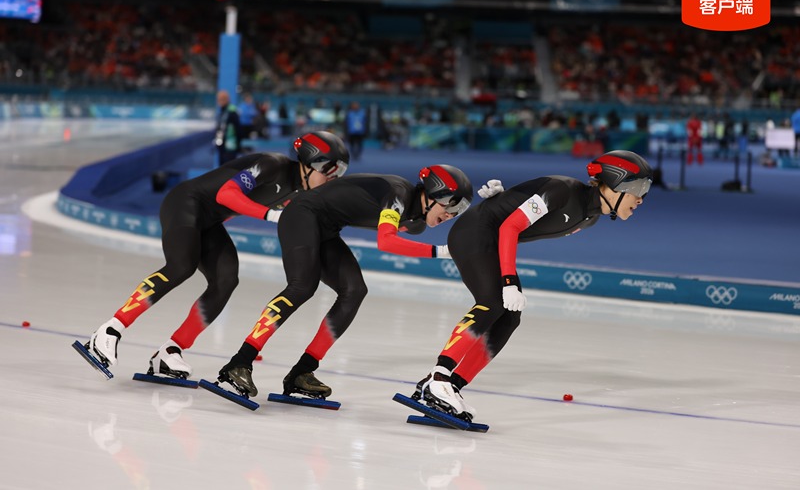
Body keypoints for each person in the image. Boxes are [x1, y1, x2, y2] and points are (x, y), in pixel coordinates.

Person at [408, 150, 653, 422]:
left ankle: (451, 387)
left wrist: (505, 199)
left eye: (646, 189)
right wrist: (509, 281)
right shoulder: (563, 191)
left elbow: (523, 213)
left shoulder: (589, 217)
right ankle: (439, 377)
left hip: (489, 239)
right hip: (473, 233)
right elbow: (509, 228)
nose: (641, 198)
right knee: (492, 302)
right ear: (613, 183)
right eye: (637, 188)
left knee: (509, 318)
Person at [84, 131, 350, 379]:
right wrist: (269, 215)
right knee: (181, 266)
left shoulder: (302, 193)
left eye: (339, 173)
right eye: (329, 170)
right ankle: (110, 329)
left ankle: (171, 350)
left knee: (226, 279)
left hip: (210, 221)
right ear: (308, 163)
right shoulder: (272, 165)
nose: (333, 178)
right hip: (185, 203)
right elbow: (226, 194)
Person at [217, 164, 475, 400]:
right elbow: (386, 241)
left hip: (327, 228)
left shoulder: (416, 223)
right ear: (433, 194)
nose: (450, 215)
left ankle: (302, 371)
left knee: (354, 290)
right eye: (450, 206)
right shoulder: (399, 193)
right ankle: (240, 362)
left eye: (458, 212)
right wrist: (443, 252)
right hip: (301, 214)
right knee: (302, 286)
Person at [215, 90, 242, 165]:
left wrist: (238, 145)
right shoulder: (222, 112)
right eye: (219, 99)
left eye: (222, 99)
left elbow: (238, 129)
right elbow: (219, 129)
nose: (220, 101)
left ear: (227, 99)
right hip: (222, 146)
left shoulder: (232, 111)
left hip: (230, 147)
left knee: (229, 168)